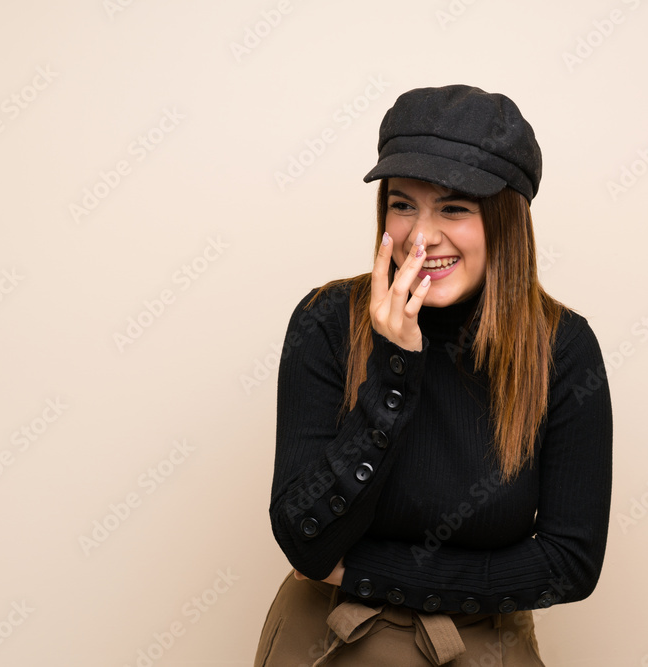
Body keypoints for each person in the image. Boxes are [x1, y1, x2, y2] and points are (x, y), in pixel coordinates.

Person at [254, 84, 613, 666]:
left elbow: (569, 564)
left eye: (454, 208)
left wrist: (372, 571)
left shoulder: (563, 348)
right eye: (402, 204)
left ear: (506, 221)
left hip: (481, 648)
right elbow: (304, 537)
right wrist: (396, 371)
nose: (422, 237)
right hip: (325, 643)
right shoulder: (324, 322)